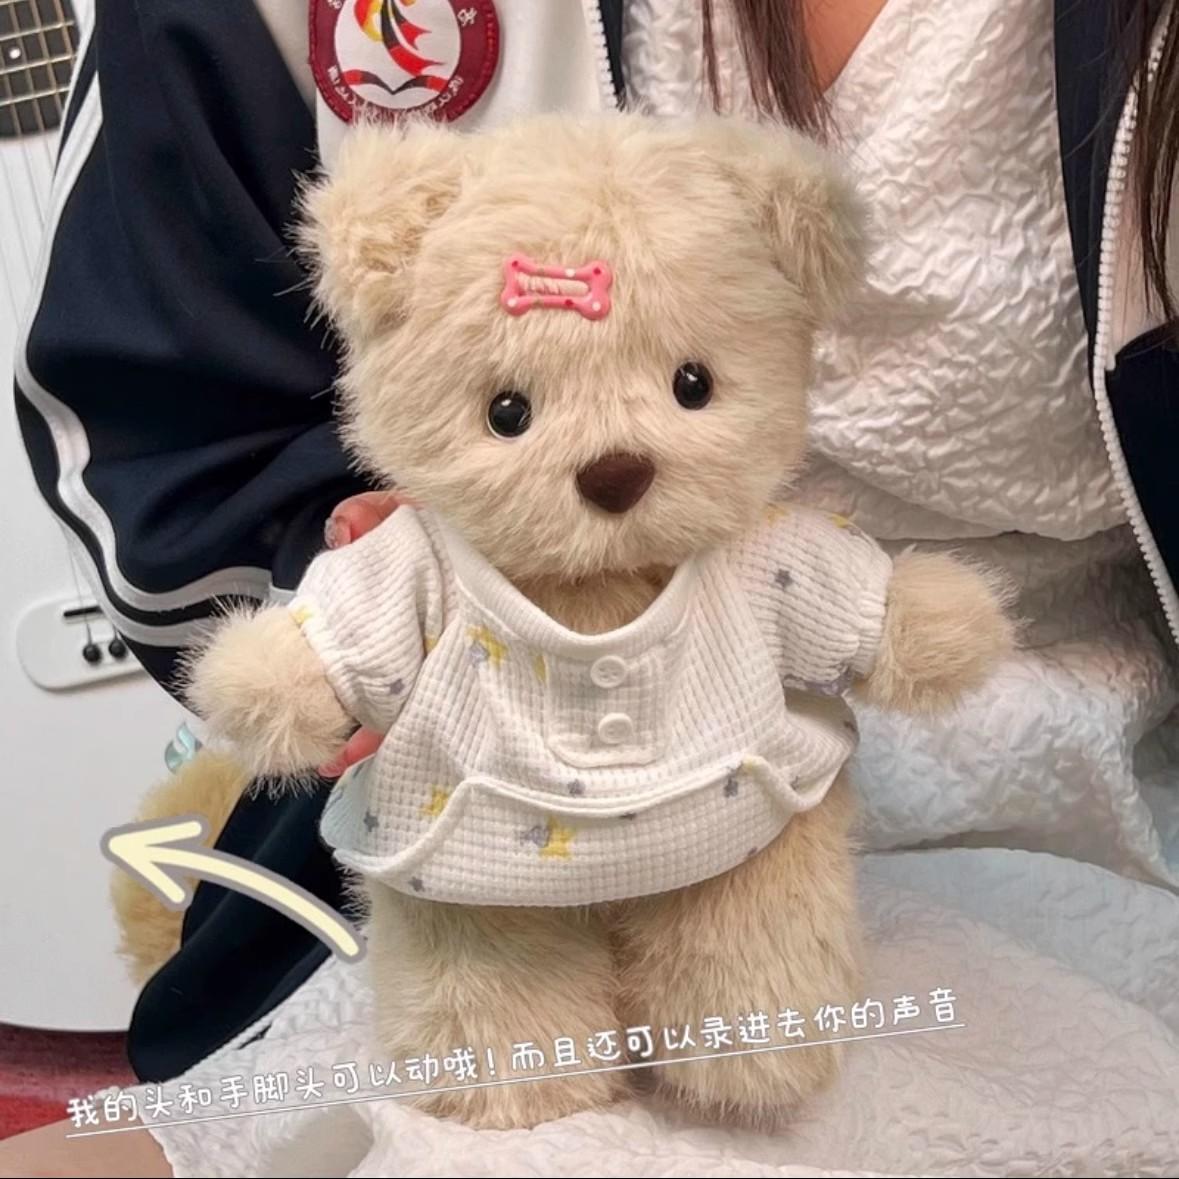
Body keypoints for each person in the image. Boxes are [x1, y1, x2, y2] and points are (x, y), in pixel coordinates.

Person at [4, 0, 1178, 1173]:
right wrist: (339, 570)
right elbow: (161, 434)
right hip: (468, 815)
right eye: (511, 410)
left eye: (688, 389)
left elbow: (886, 620)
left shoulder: (775, 562)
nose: (617, 458)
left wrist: (906, 625)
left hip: (1036, 811)